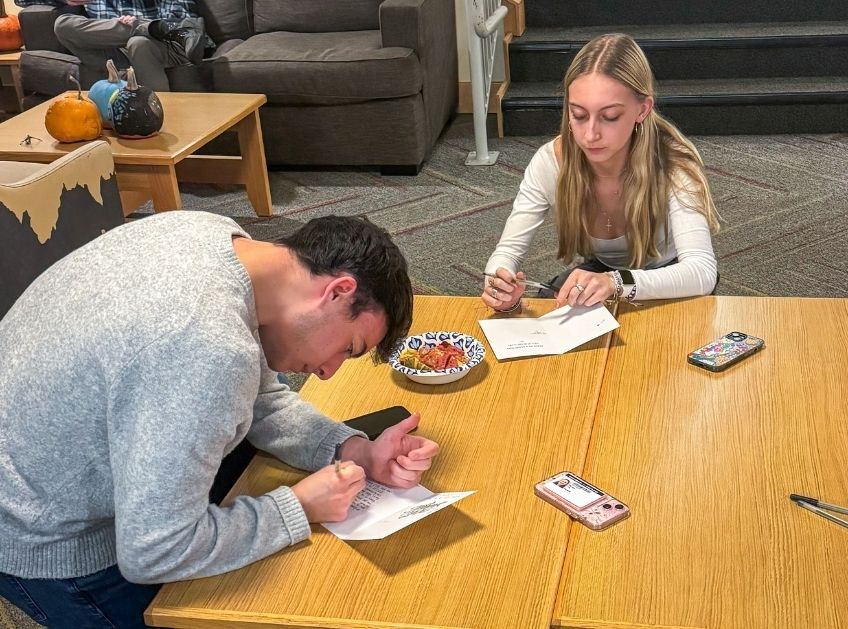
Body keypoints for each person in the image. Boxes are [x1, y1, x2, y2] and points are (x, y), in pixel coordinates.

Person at [0, 211, 439, 628]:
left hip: (52, 448)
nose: (328, 371)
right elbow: (156, 550)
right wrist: (300, 507)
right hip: (45, 532)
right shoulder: (206, 345)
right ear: (338, 291)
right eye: (349, 347)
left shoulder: (214, 236)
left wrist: (353, 450)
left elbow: (256, 396)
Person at [481, 33, 719, 313]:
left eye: (610, 117)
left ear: (642, 110)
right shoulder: (550, 162)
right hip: (602, 274)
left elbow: (701, 272)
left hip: (673, 277)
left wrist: (616, 283)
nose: (590, 134)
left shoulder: (674, 162)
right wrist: (501, 285)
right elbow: (506, 254)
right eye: (578, 115)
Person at [15, 0, 207, 91]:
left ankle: (157, 118)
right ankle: (146, 28)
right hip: (110, 48)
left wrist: (139, 21)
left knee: (138, 42)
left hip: (161, 45)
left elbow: (179, 18)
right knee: (62, 24)